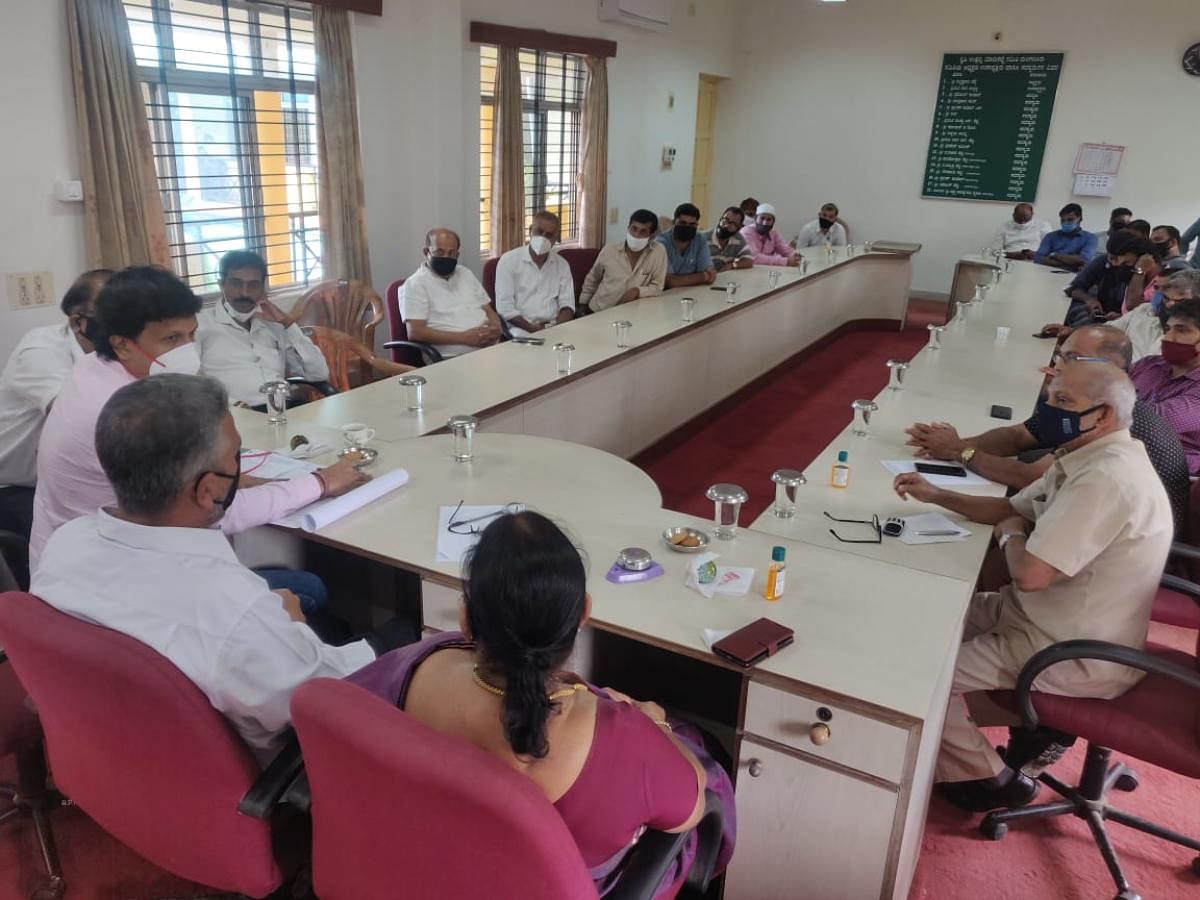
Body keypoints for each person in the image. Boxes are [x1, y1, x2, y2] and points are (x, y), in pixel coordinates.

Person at [348, 511, 735, 896]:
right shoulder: (622, 737)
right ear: (583, 613)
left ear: (466, 619)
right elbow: (692, 807)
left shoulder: (421, 664)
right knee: (705, 752)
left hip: (434, 877)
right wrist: (656, 723)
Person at [31, 375, 413, 762]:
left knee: (308, 593)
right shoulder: (234, 612)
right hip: (266, 768)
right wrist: (295, 627)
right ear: (207, 489)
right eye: (237, 457)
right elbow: (325, 702)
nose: (240, 469)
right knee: (408, 632)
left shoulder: (66, 542)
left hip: (121, 752)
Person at [896, 363, 1172, 812]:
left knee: (917, 676)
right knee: (926, 611)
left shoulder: (1106, 479)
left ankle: (990, 778)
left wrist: (1010, 533)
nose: (1048, 410)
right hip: (1037, 617)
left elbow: (1030, 573)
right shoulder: (1085, 455)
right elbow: (1010, 509)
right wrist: (936, 495)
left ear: (1102, 416)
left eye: (1063, 402)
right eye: (1050, 397)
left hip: (1069, 648)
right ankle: (996, 743)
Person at [28, 266, 366, 570]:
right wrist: (320, 483)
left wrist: (233, 478)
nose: (187, 351)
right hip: (114, 573)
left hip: (69, 553)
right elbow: (215, 510)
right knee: (304, 587)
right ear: (123, 344)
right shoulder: (134, 414)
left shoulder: (92, 369)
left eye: (191, 335)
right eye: (171, 339)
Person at [906, 325, 1190, 533]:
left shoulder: (1112, 417)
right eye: (1061, 355)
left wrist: (960, 451)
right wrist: (951, 443)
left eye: (1072, 358)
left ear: (1108, 368)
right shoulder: (1080, 400)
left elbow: (1030, 478)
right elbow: (1019, 436)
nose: (1057, 365)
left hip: (1115, 552)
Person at [0, 270, 111, 573]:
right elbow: (78, 419)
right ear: (78, 321)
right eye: (111, 313)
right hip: (15, 487)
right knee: (71, 567)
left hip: (69, 476)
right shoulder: (40, 349)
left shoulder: (115, 352)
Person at [196, 250, 330, 407]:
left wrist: (288, 324)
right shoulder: (200, 326)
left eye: (253, 285)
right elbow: (191, 385)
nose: (244, 293)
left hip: (283, 410)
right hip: (235, 416)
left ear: (263, 288)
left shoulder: (273, 324)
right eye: (236, 283)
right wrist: (232, 408)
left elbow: (319, 374)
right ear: (222, 284)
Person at [402, 228, 503, 357]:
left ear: (457, 255)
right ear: (426, 252)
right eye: (440, 252)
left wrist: (495, 328)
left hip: (490, 349)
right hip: (451, 357)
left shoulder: (465, 273)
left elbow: (488, 310)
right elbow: (415, 332)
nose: (446, 257)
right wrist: (465, 338)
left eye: (451, 253)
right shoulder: (415, 284)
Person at [1130, 299, 1200, 473]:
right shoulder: (1149, 364)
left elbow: (1146, 425)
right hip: (1118, 454)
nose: (1167, 338)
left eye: (1181, 330)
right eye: (1168, 329)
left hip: (1164, 477)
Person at [1049, 230, 1157, 327]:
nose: (1116, 264)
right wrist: (1089, 300)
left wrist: (1139, 272)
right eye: (1112, 258)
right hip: (1105, 315)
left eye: (1125, 262)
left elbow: (1132, 306)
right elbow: (1073, 288)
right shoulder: (1103, 261)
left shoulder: (1143, 274)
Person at [494, 212, 575, 336]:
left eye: (549, 235)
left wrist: (553, 327)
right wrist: (535, 330)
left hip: (553, 326)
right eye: (539, 231)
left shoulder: (562, 265)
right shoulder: (508, 261)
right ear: (530, 230)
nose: (543, 238)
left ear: (556, 238)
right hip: (520, 327)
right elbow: (505, 308)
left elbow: (567, 305)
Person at [579, 209, 668, 313]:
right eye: (633, 229)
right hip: (600, 310)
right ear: (628, 228)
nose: (636, 235)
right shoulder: (609, 251)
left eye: (643, 231)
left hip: (631, 313)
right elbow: (593, 278)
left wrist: (638, 291)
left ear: (651, 236)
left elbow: (657, 286)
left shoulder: (658, 252)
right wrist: (582, 305)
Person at [1109, 268, 1200, 362]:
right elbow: (1107, 331)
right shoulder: (1145, 310)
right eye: (1166, 298)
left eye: (1181, 301)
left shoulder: (1194, 333)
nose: (1169, 304)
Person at [657, 203, 716, 288]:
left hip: (692, 292)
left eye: (692, 224)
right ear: (674, 222)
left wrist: (705, 275)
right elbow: (670, 282)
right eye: (682, 223)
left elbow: (711, 274)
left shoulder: (699, 239)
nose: (687, 227)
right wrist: (704, 276)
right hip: (665, 295)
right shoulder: (662, 243)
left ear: (697, 225)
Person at [1033, 203, 1097, 270]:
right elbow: (1038, 258)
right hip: (1047, 273)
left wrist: (1054, 255)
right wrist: (1073, 263)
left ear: (1079, 219)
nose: (1065, 223)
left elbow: (1084, 259)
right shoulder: (1050, 236)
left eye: (1070, 220)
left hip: (1073, 275)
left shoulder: (1090, 238)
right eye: (1062, 220)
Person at [703, 207, 754, 272]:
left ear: (738, 228)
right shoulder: (703, 238)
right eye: (725, 220)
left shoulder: (737, 239)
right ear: (720, 219)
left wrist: (732, 265)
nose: (726, 225)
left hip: (724, 278)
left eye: (732, 224)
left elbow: (749, 260)